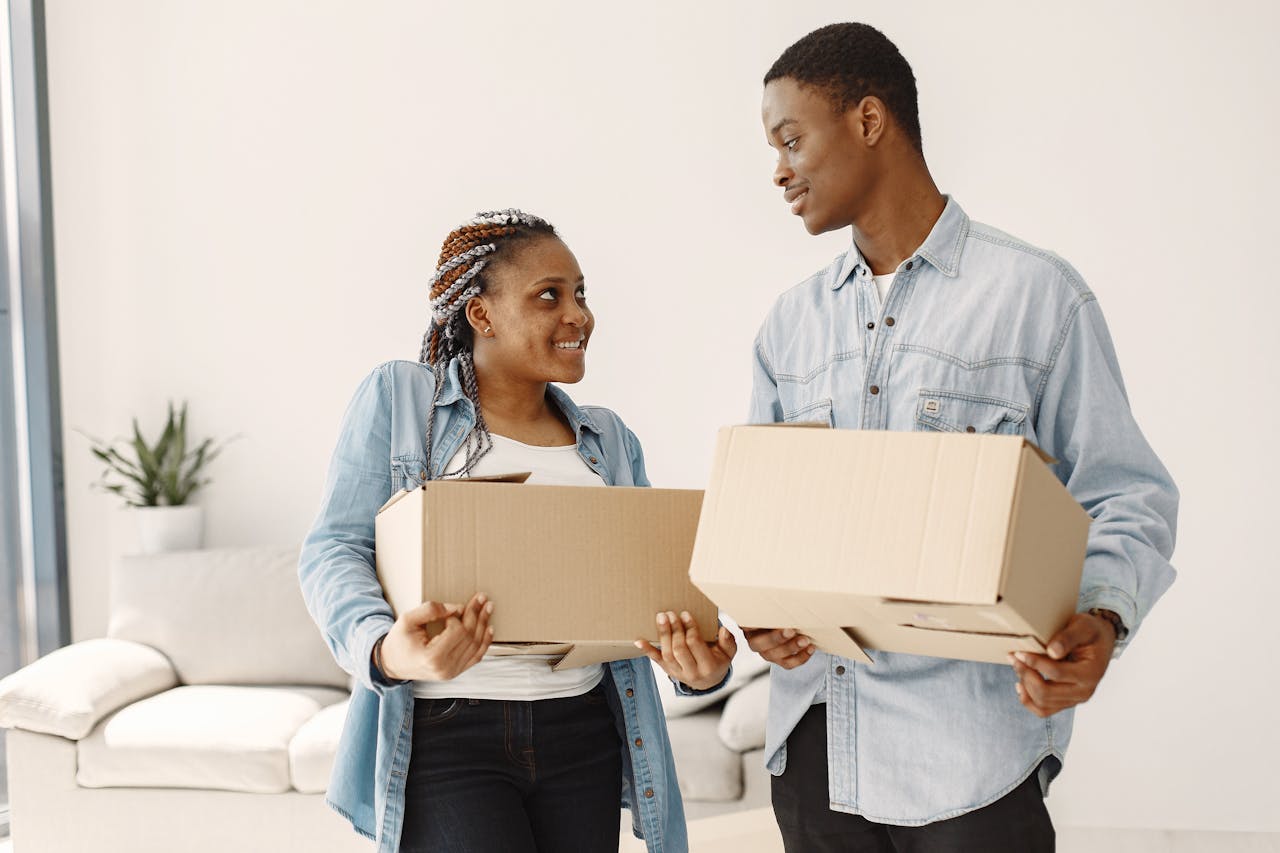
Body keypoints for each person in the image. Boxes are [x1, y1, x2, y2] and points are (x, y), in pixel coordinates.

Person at [744, 23, 1178, 852]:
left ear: (869, 121)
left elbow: (1127, 493)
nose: (778, 169)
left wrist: (1104, 615)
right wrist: (764, 616)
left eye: (791, 138)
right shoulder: (787, 328)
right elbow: (767, 525)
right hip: (814, 759)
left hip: (970, 764)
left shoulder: (1039, 298)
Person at [299, 209, 735, 853]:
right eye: (549, 295)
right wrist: (389, 651)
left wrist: (696, 669)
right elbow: (334, 549)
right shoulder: (402, 399)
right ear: (482, 316)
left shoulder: (609, 440)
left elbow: (650, 587)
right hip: (448, 732)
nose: (579, 315)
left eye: (581, 294)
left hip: (582, 731)